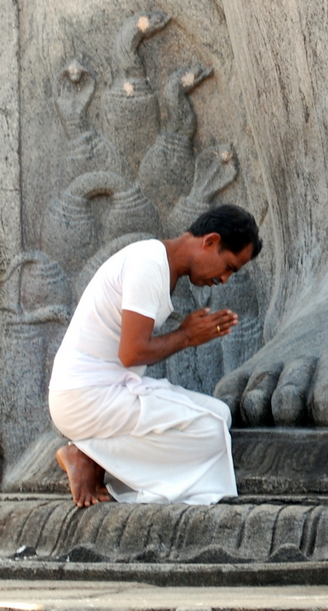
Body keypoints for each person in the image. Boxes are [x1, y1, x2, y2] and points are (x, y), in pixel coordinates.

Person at [48, 204, 262, 508]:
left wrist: (188, 335)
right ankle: (85, 455)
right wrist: (187, 336)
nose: (225, 279)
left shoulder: (158, 264)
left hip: (105, 393)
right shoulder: (150, 263)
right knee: (210, 431)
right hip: (86, 397)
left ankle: (94, 457)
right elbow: (132, 352)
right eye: (228, 266)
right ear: (210, 241)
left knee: (219, 415)